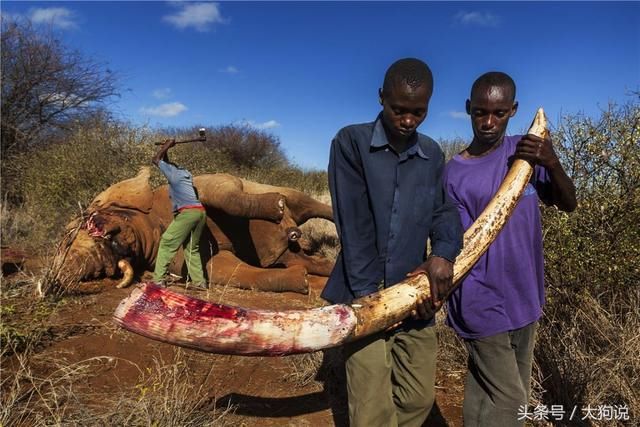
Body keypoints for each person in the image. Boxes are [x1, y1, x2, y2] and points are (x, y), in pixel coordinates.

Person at [321, 58, 463, 427]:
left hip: (416, 295)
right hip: (364, 292)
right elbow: (354, 227)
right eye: (399, 109)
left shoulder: (432, 154)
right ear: (381, 97)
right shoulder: (350, 142)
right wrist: (374, 301)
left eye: (418, 111)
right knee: (371, 407)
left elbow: (443, 212)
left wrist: (444, 255)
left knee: (418, 398)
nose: (408, 120)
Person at [443, 72, 577, 426]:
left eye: (499, 113)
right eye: (481, 112)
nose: (488, 122)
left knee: (486, 390)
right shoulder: (453, 173)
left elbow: (569, 203)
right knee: (512, 400)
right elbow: (456, 242)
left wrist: (551, 161)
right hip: (479, 299)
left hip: (525, 296)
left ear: (513, 110)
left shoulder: (527, 153)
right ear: (468, 109)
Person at [152, 138, 208, 289]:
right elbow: (167, 164)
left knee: (166, 242)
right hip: (200, 213)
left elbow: (156, 159)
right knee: (191, 248)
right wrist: (167, 148)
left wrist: (166, 146)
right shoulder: (184, 175)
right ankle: (199, 282)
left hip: (188, 214)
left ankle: (158, 280)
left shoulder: (174, 176)